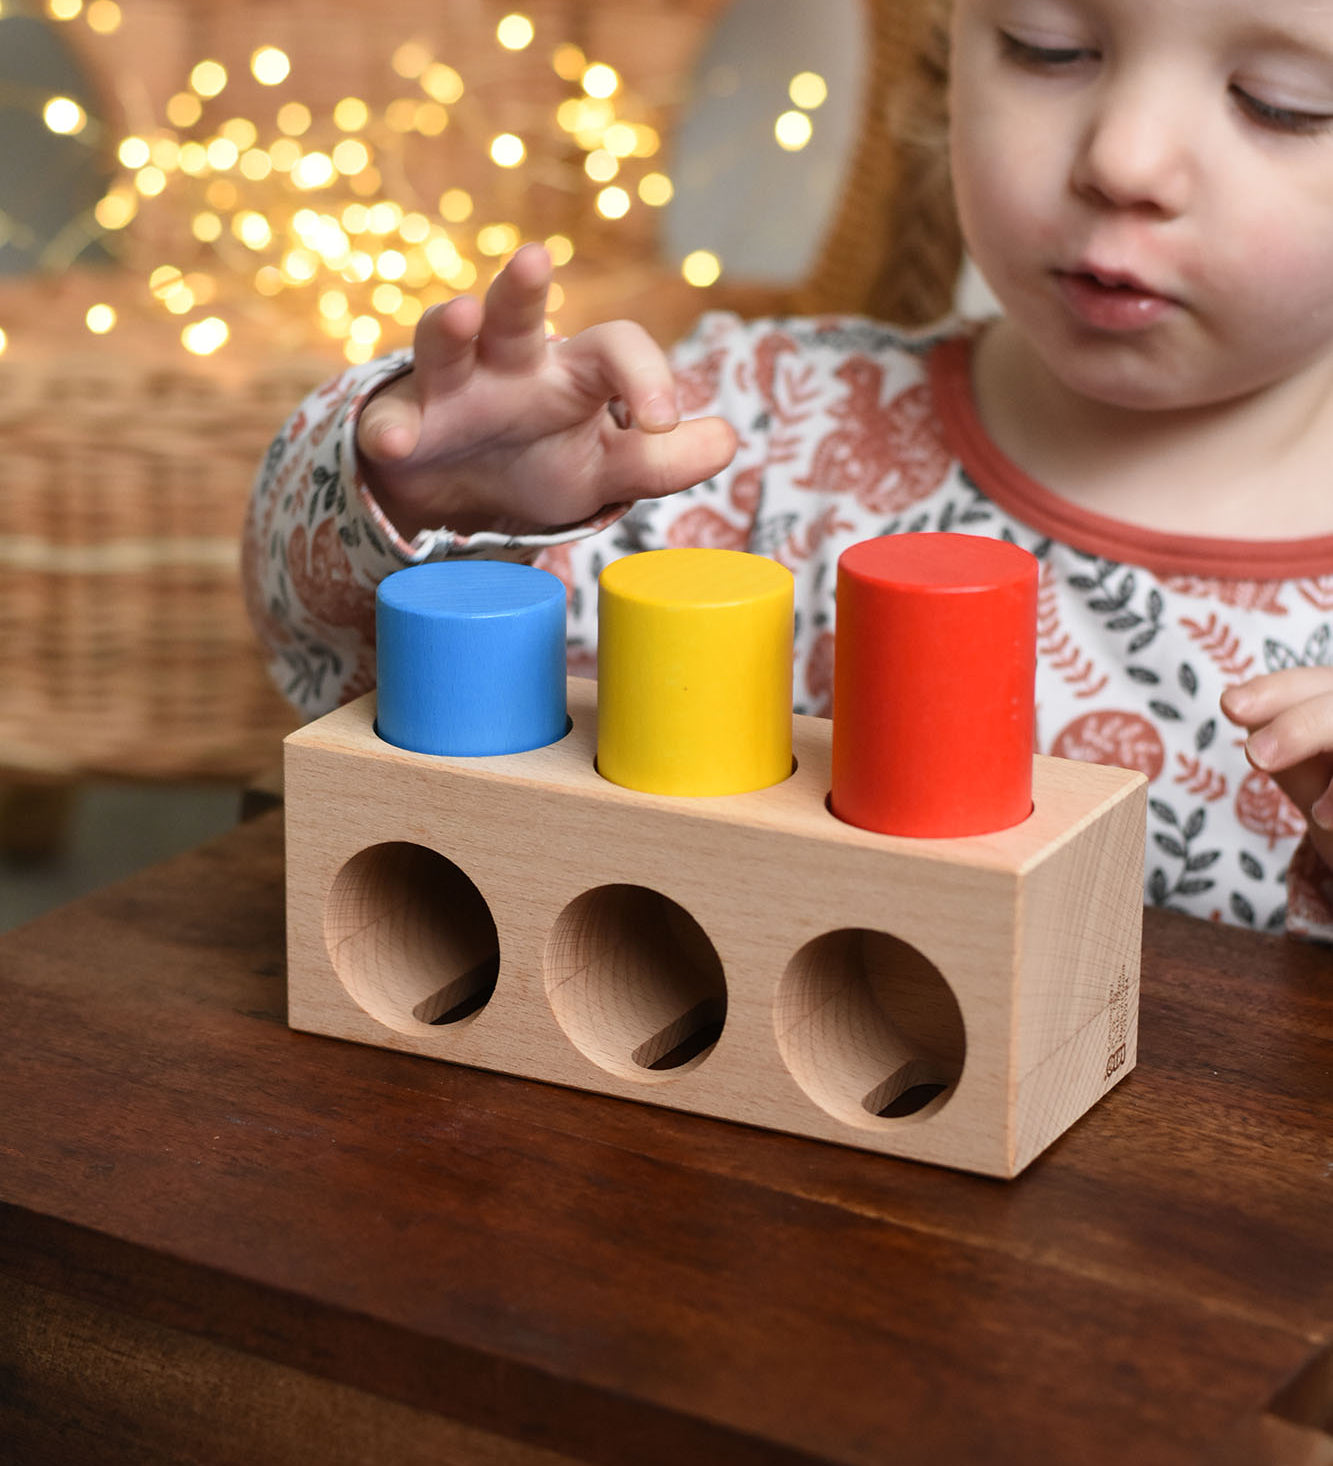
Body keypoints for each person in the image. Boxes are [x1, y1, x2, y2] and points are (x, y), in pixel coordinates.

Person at [244, 0, 1333, 939]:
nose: (1121, 160)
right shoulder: (741, 427)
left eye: (1282, 101)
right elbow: (330, 668)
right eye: (1045, 45)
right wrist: (434, 498)